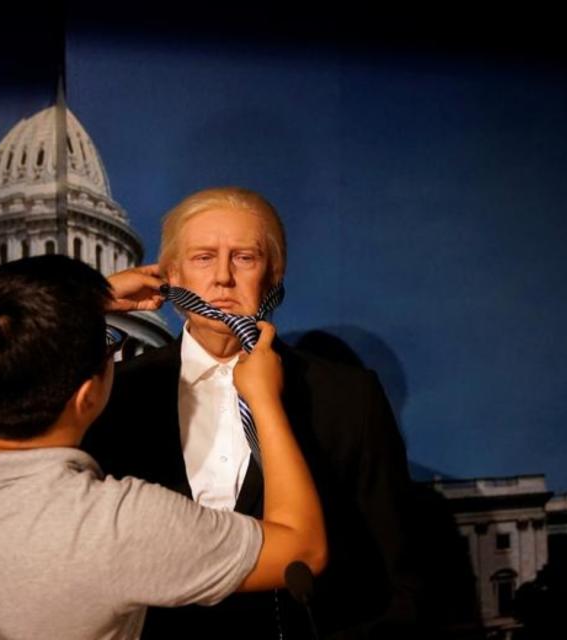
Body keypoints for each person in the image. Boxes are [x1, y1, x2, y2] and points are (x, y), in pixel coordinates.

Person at [0, 255, 326, 640]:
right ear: (86, 397)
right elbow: (302, 549)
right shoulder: (116, 525)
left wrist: (79, 304)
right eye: (108, 349)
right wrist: (265, 401)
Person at [84, 187, 420, 639]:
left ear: (274, 275)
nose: (223, 277)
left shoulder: (348, 397)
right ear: (171, 274)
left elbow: (394, 576)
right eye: (203, 258)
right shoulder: (114, 396)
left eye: (244, 258)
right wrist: (87, 304)